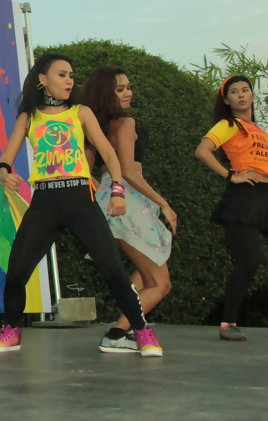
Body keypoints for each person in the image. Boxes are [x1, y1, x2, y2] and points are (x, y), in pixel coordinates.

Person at [0, 53, 162, 357]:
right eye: (62, 74)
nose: (69, 80)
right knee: (16, 273)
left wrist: (117, 190)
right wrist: (4, 175)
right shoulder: (29, 117)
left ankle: (141, 332)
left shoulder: (81, 112)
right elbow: (4, 160)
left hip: (80, 198)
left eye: (71, 75)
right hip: (44, 201)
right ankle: (11, 331)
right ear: (43, 80)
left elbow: (109, 153)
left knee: (114, 270)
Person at [194, 75, 268, 342]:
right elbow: (202, 151)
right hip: (242, 198)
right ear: (227, 100)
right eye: (234, 92)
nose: (240, 95)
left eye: (245, 90)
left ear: (252, 95)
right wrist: (230, 175)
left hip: (266, 199)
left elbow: (259, 159)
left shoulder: (259, 130)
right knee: (249, 260)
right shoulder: (228, 124)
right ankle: (228, 323)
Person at [81, 66, 176, 354]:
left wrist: (102, 191)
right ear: (106, 94)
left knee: (145, 274)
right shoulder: (125, 122)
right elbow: (129, 172)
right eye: (120, 89)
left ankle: (129, 327)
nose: (128, 93)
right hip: (129, 203)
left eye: (128, 87)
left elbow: (84, 169)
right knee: (160, 284)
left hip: (111, 203)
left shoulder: (94, 126)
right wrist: (164, 203)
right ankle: (117, 333)